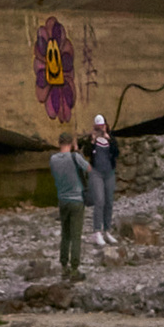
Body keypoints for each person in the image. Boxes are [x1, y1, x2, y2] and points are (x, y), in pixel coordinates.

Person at [49, 130, 89, 280]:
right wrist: (78, 152)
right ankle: (74, 269)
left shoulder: (53, 159)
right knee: (76, 236)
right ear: (71, 143)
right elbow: (88, 169)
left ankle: (63, 266)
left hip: (62, 200)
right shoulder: (75, 157)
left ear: (59, 143)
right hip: (77, 200)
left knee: (65, 235)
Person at [85, 112, 119, 254]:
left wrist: (108, 139)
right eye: (98, 127)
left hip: (109, 173)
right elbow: (86, 152)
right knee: (99, 200)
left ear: (106, 126)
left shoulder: (111, 139)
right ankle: (97, 231)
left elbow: (116, 153)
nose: (100, 129)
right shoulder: (91, 139)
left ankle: (107, 230)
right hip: (96, 173)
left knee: (109, 201)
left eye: (102, 126)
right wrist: (92, 140)